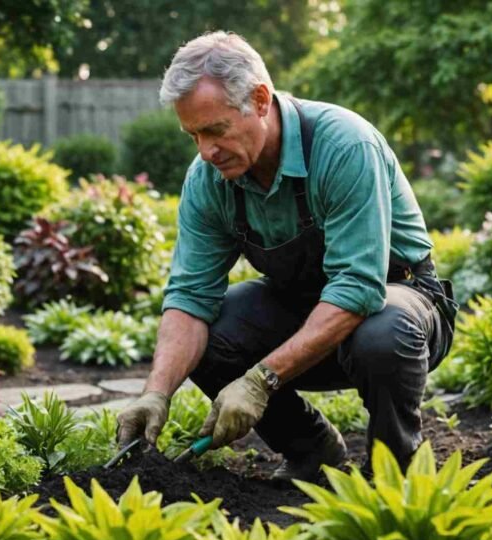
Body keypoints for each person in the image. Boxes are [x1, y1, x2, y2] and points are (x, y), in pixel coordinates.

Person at [116, 31, 457, 481]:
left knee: (382, 330)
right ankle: (311, 449)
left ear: (260, 100)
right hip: (302, 304)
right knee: (211, 334)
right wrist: (156, 392)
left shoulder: (343, 145)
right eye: (193, 135)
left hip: (400, 301)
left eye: (216, 130)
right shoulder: (208, 179)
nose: (205, 151)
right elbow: (189, 297)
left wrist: (261, 380)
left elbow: (357, 288)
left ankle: (396, 476)